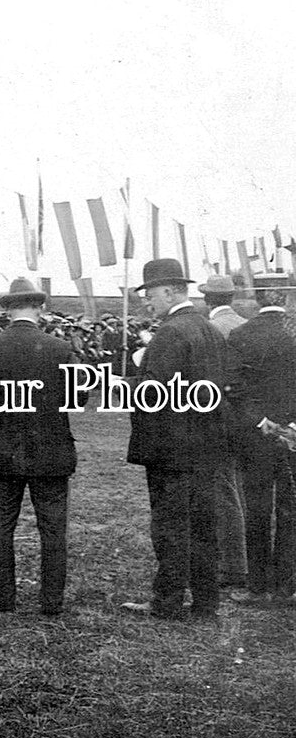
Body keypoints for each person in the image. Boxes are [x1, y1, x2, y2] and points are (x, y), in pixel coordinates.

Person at [0, 277, 86, 616]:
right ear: (40, 308)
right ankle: (51, 601)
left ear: (8, 310)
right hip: (51, 448)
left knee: (1, 524)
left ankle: (4, 599)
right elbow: (77, 398)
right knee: (53, 528)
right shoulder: (60, 348)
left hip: (4, 447)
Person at [121, 258, 228, 620]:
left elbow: (154, 392)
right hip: (205, 443)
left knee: (170, 526)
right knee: (203, 526)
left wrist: (125, 382)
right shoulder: (209, 329)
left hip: (171, 446)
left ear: (169, 292)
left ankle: (166, 600)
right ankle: (206, 601)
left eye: (150, 294)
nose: (147, 302)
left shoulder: (170, 333)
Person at [224, 273, 296, 604]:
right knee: (291, 510)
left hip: (256, 435)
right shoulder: (292, 332)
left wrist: (262, 420)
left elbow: (233, 387)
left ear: (259, 297)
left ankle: (258, 586)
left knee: (257, 509)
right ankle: (287, 586)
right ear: (284, 297)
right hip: (293, 434)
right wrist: (291, 424)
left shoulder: (241, 334)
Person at [198, 275, 250, 592]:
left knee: (222, 491)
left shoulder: (210, 329)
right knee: (239, 490)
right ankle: (242, 560)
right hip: (247, 419)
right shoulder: (245, 324)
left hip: (219, 419)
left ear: (207, 300)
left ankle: (233, 564)